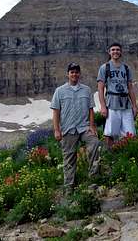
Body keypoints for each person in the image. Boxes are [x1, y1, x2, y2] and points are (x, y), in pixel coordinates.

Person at [51, 62, 100, 194]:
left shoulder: (86, 90)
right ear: (68, 74)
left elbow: (91, 109)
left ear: (79, 74)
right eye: (72, 72)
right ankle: (69, 187)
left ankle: (93, 179)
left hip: (84, 127)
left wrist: (92, 125)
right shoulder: (59, 91)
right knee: (69, 158)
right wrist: (56, 129)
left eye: (76, 72)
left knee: (94, 143)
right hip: (68, 129)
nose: (74, 74)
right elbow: (56, 111)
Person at [97, 43, 138, 149]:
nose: (115, 52)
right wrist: (103, 106)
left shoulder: (126, 68)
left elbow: (130, 88)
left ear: (120, 52)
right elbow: (100, 88)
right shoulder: (104, 67)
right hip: (112, 103)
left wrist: (134, 105)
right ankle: (111, 154)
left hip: (126, 104)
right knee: (110, 132)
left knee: (130, 132)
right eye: (113, 50)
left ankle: (127, 153)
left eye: (117, 50)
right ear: (109, 52)